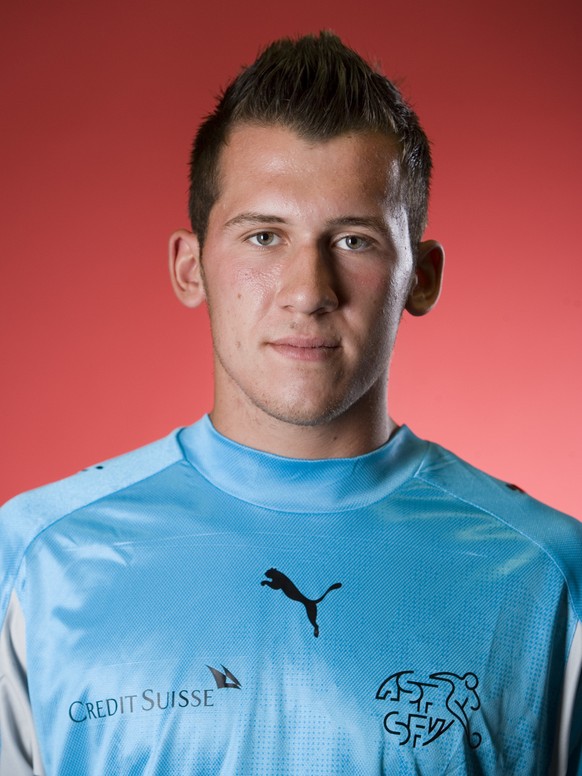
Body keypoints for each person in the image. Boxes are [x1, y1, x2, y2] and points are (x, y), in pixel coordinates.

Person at [1, 31, 580, 776]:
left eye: (354, 241)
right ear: (190, 267)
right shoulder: (34, 562)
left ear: (422, 277)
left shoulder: (548, 579)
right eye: (265, 236)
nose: (308, 292)